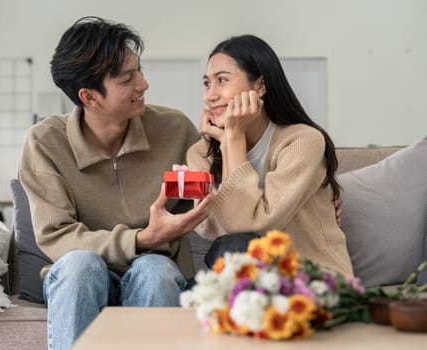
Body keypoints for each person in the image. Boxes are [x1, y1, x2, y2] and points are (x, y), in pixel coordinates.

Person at [18, 16, 213, 349]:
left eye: (139, 70)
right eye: (128, 78)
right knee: (81, 266)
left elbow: (214, 188)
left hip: (154, 267)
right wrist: (140, 238)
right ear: (90, 97)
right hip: (82, 274)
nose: (144, 84)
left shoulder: (174, 128)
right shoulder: (45, 142)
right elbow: (57, 236)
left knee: (157, 271)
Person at [187, 34, 353, 277]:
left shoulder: (303, 141)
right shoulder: (200, 153)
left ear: (259, 86)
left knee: (235, 246)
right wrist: (228, 141)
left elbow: (259, 223)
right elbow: (206, 225)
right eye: (207, 83)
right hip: (242, 278)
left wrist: (233, 139)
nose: (209, 96)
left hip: (311, 279)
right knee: (225, 255)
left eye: (222, 80)